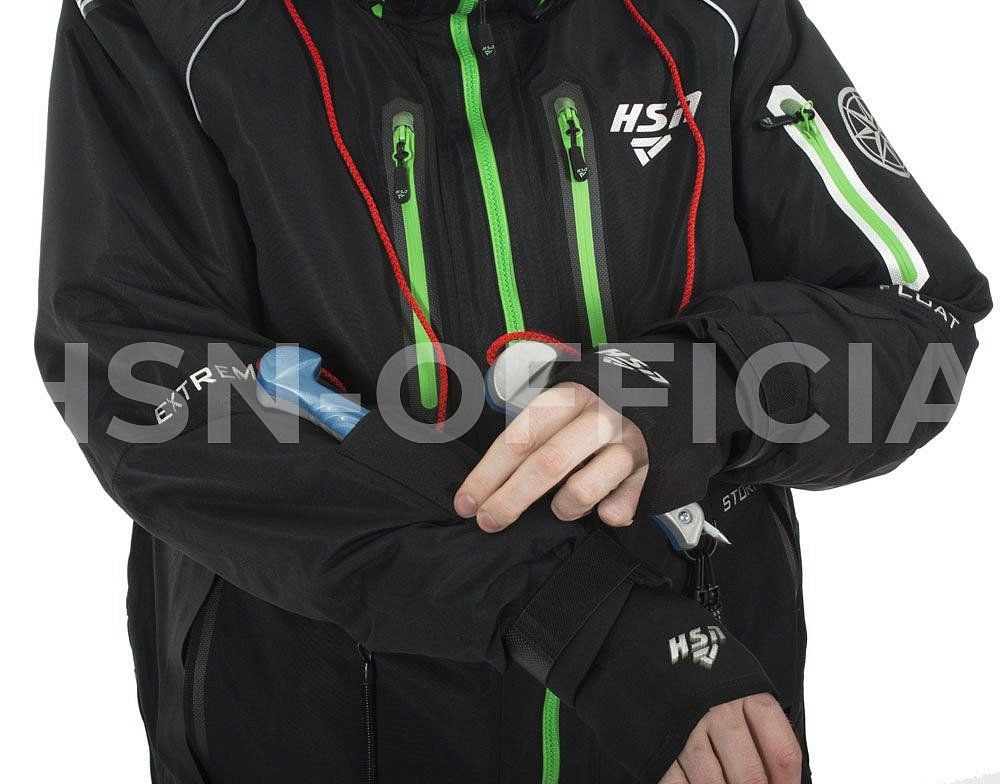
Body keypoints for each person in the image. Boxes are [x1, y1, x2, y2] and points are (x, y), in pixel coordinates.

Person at [35, 0, 990, 782]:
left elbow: (922, 320)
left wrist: (689, 388)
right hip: (315, 729)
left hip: (695, 725)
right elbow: (143, 379)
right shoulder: (162, 17)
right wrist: (578, 616)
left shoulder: (717, 12)